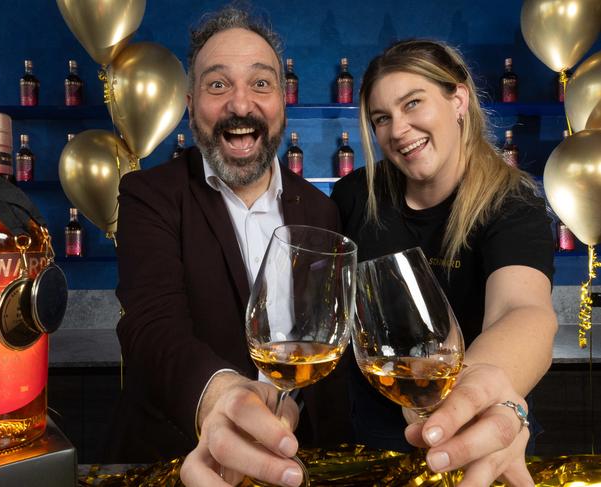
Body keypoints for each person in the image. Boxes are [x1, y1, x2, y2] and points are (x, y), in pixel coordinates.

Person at [106, 4, 352, 477]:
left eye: (260, 83)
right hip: (179, 460)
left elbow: (324, 344)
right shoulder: (149, 195)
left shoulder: (322, 210)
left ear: (283, 99)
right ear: (189, 103)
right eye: (218, 85)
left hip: (299, 459)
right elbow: (151, 324)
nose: (240, 105)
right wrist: (220, 397)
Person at [330, 39, 558, 486]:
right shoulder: (357, 195)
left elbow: (522, 310)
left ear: (458, 99)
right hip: (369, 437)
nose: (397, 129)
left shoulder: (511, 204)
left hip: (480, 431)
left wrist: (468, 399)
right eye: (381, 118)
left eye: (413, 103)